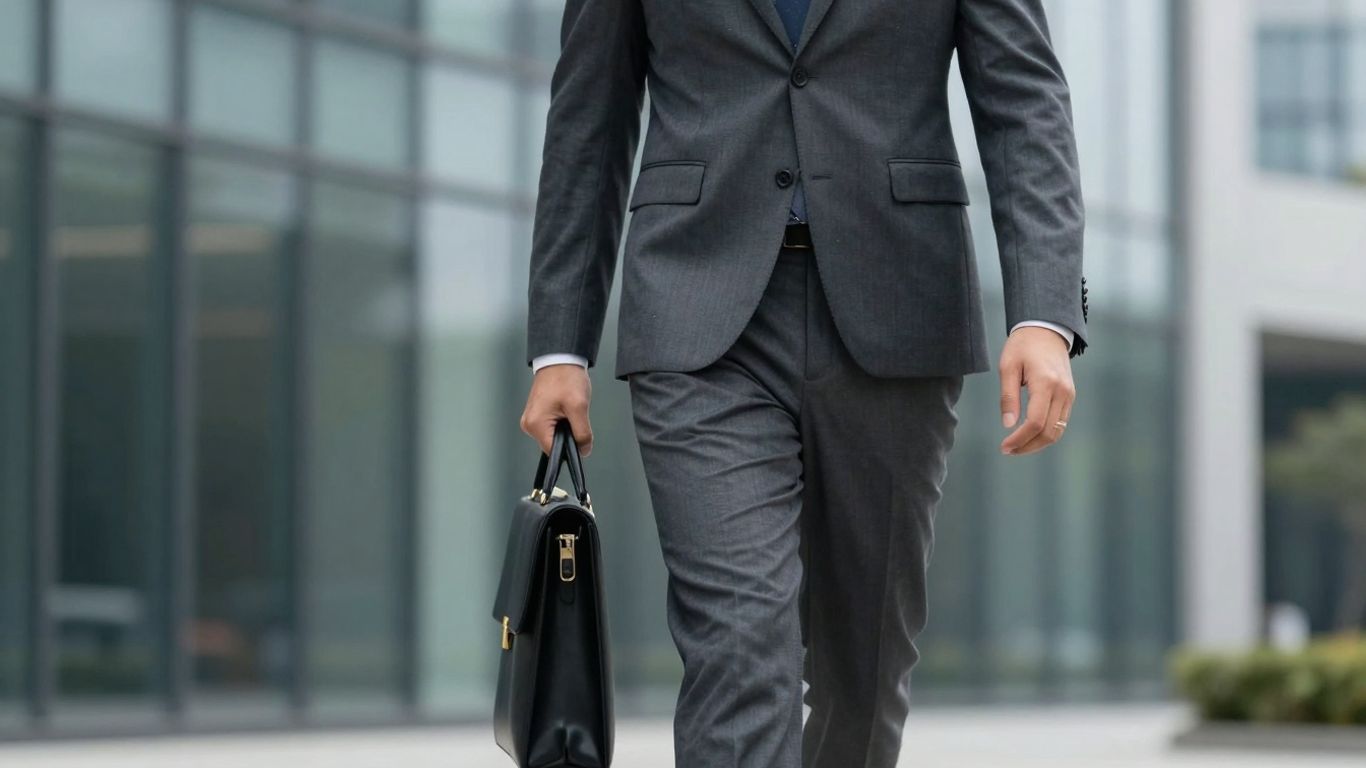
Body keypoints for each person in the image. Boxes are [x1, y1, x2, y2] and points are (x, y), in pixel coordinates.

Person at [519, 0, 1088, 765]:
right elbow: (588, 119)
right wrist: (561, 344)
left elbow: (1025, 99)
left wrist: (1044, 314)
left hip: (899, 308)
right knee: (739, 646)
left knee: (867, 671)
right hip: (698, 312)